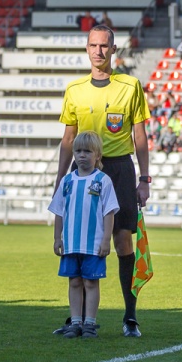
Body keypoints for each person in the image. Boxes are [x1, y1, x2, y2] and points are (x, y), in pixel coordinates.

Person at [55, 24, 151, 338]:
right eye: (94, 45)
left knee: (123, 242)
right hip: (82, 171)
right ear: (87, 48)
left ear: (113, 49)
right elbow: (68, 139)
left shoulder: (130, 86)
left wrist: (144, 178)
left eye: (104, 45)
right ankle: (78, 318)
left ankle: (130, 316)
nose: (99, 51)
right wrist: (60, 178)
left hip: (119, 168)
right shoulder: (75, 89)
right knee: (80, 242)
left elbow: (140, 136)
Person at [48, 131, 119, 339]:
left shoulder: (102, 180)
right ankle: (75, 322)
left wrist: (106, 240)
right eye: (78, 151)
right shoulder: (67, 181)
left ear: (98, 155)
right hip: (71, 243)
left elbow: (109, 212)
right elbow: (59, 211)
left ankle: (90, 323)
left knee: (90, 282)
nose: (82, 155)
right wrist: (57, 238)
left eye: (87, 151)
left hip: (93, 244)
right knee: (74, 282)